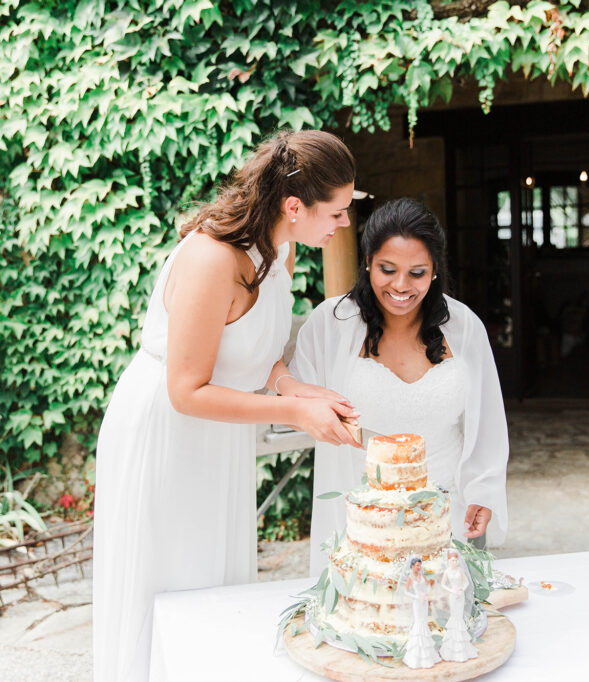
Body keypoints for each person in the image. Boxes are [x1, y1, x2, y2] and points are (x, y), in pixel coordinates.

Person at [92, 130, 360, 682]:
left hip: (217, 437)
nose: (343, 225)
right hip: (167, 431)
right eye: (335, 211)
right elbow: (186, 389)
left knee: (215, 585)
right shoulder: (212, 259)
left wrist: (291, 386)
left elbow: (251, 348)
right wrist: (293, 415)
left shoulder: (279, 247)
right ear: (294, 206)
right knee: (169, 582)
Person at [290, 197, 509, 576]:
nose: (401, 287)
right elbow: (293, 399)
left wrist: (483, 493)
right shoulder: (330, 324)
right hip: (361, 522)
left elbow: (488, 420)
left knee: (444, 621)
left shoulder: (465, 326)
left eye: (417, 273)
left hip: (446, 517)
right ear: (367, 263)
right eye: (387, 270)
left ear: (435, 270)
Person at [399, 556, 441, 669]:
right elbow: (406, 591)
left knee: (424, 622)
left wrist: (426, 593)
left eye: (420, 565)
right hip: (417, 603)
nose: (419, 567)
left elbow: (427, 586)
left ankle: (428, 654)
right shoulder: (410, 577)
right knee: (419, 623)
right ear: (412, 566)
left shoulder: (422, 575)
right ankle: (416, 655)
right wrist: (417, 596)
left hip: (424, 602)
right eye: (417, 565)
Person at [439, 549, 479, 662]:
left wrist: (462, 589)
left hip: (460, 596)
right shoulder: (447, 571)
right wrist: (451, 590)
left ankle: (462, 645)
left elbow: (466, 582)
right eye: (452, 560)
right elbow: (443, 584)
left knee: (459, 617)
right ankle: (452, 646)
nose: (454, 562)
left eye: (456, 560)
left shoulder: (460, 570)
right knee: (454, 617)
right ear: (449, 561)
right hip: (452, 596)